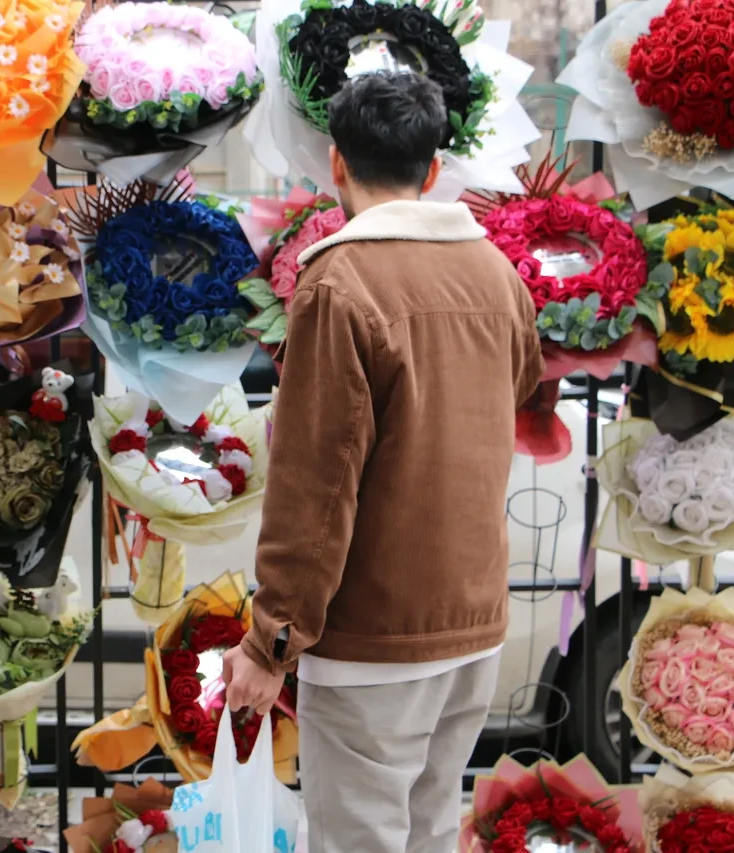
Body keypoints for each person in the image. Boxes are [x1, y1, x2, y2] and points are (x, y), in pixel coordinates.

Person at [223, 72, 545, 853]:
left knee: (358, 839)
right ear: (433, 170)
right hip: (473, 620)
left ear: (337, 162)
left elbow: (315, 486)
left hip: (374, 637)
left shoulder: (339, 283)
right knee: (431, 830)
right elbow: (522, 386)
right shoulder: (496, 273)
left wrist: (271, 641)